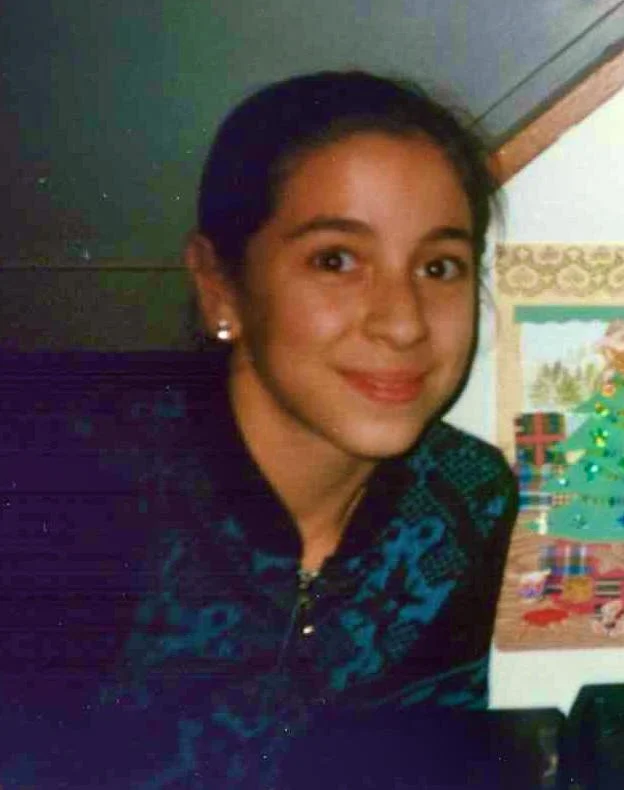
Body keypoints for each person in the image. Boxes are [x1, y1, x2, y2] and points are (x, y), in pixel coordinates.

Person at [0, 71, 518, 787]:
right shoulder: (74, 487)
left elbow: (424, 761)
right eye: (336, 260)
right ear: (221, 286)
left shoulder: (462, 498)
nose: (403, 322)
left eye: (439, 266)